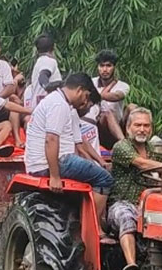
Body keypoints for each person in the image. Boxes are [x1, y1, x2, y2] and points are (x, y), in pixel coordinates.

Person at [24, 72, 114, 225]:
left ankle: (81, 218)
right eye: (86, 96)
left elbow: (79, 143)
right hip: (54, 162)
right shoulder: (58, 104)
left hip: (52, 160)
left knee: (96, 169)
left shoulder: (59, 102)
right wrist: (54, 176)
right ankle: (95, 227)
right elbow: (51, 139)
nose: (85, 101)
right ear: (79, 90)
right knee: (105, 178)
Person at [108, 107, 162, 270]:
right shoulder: (122, 147)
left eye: (146, 126)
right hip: (123, 202)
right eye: (138, 125)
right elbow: (141, 164)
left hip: (148, 204)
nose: (142, 129)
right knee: (126, 217)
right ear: (128, 128)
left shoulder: (154, 150)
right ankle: (131, 265)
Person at [91, 49, 130, 146]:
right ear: (98, 67)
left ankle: (133, 141)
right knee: (107, 113)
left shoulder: (123, 85)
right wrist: (111, 84)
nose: (105, 70)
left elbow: (115, 96)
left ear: (114, 67)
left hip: (118, 125)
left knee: (132, 107)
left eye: (108, 66)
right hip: (99, 125)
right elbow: (102, 96)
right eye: (102, 66)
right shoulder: (91, 82)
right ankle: (124, 144)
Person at [24, 34, 62, 111]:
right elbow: (43, 76)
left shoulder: (40, 61)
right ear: (53, 48)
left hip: (41, 104)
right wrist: (59, 84)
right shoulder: (48, 61)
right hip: (48, 106)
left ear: (37, 50)